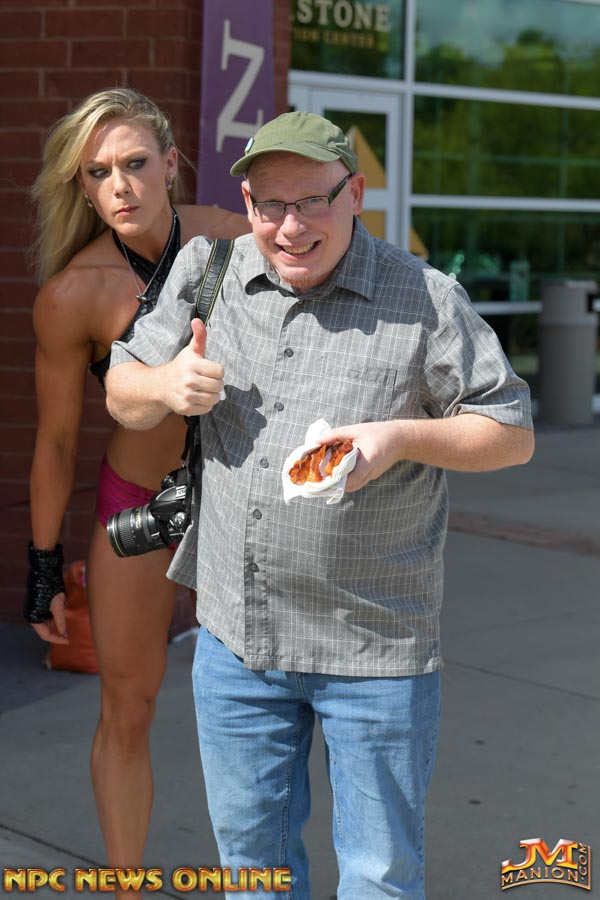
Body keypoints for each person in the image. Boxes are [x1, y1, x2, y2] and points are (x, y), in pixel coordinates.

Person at [105, 111, 535, 899]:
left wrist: (398, 439)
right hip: (238, 644)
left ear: (355, 193)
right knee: (252, 871)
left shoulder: (425, 298)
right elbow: (121, 388)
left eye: (312, 202)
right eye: (271, 204)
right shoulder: (209, 270)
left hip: (373, 650)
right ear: (247, 201)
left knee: (379, 875)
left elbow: (510, 432)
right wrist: (163, 384)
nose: (291, 226)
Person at [24, 87, 250, 889]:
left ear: (170, 165)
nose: (120, 185)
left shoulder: (233, 241)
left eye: (135, 164)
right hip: (139, 504)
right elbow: (55, 443)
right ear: (83, 188)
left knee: (264, 707)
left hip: (239, 502)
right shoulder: (74, 294)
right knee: (128, 706)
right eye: (98, 173)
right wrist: (44, 567)